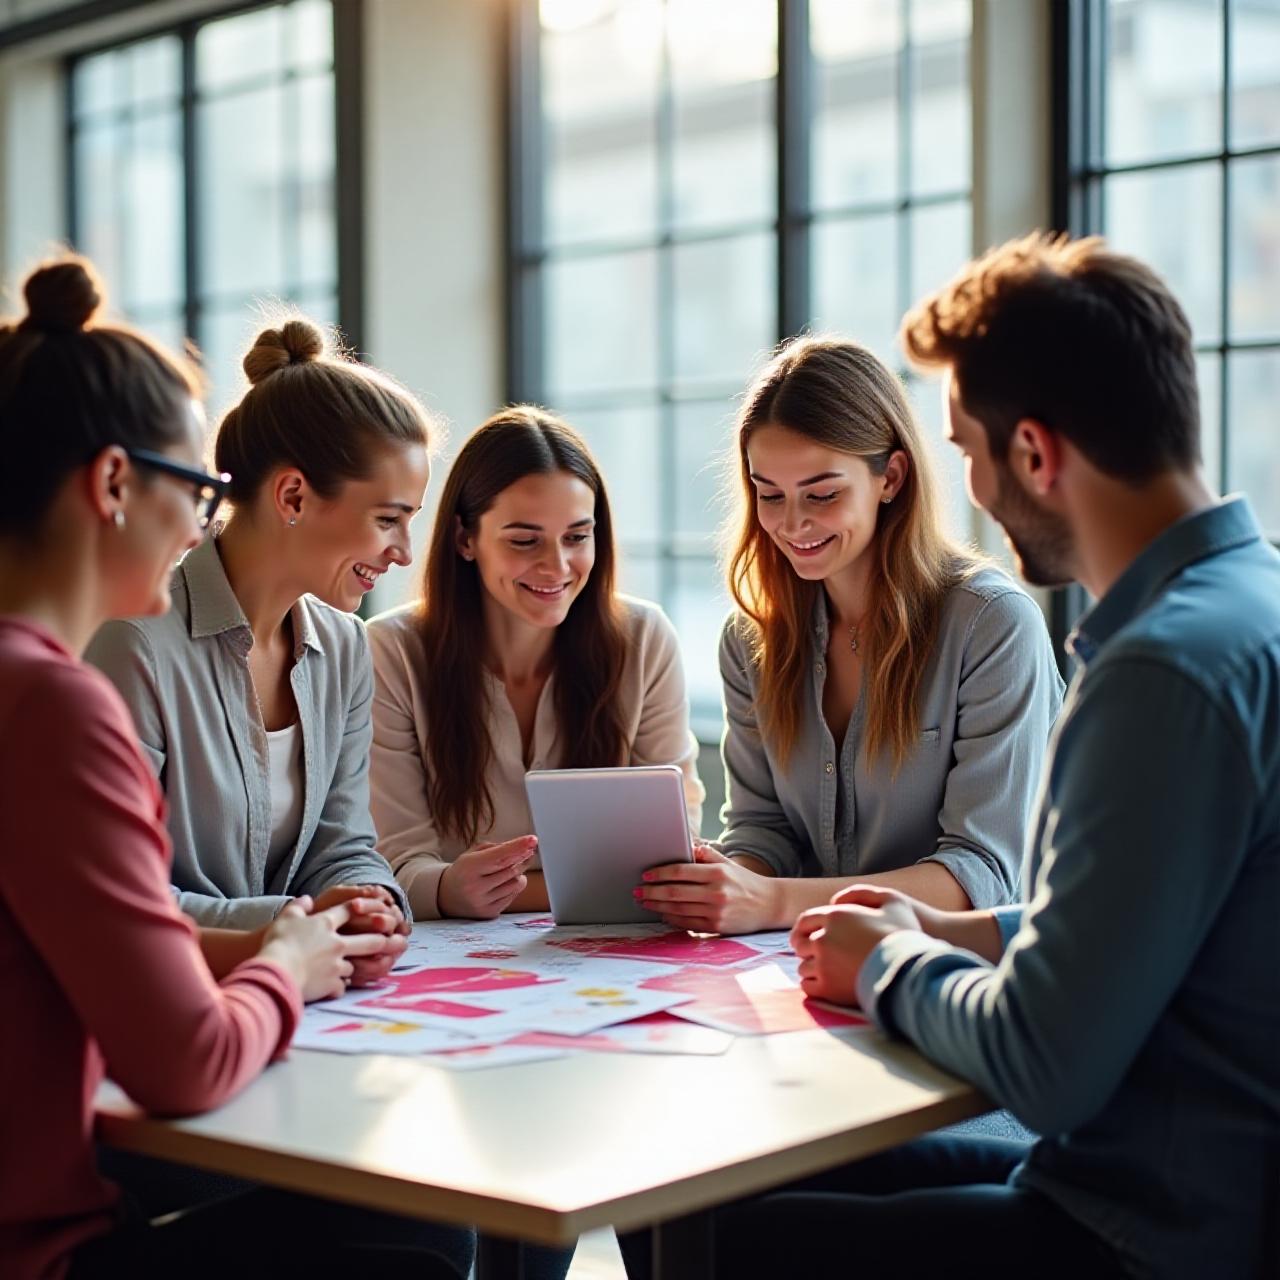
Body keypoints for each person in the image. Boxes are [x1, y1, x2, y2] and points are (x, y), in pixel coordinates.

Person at [733, 235, 1280, 1278]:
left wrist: (887, 961)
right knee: (730, 1187)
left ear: (1033, 452)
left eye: (968, 451)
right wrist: (955, 927)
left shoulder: (1158, 671)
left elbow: (1044, 1065)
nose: (970, 488)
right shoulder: (1239, 610)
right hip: (1156, 1179)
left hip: (1142, 1226)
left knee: (723, 1233)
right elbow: (1147, 900)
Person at [0, 255, 471, 1278]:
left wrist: (354, 898)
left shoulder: (336, 648)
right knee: (423, 1234)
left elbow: (344, 835)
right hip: (51, 1232)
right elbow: (184, 1059)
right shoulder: (58, 695)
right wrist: (290, 956)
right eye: (199, 486)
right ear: (115, 484)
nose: (199, 519)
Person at [635, 336, 1062, 935]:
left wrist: (775, 901)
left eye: (822, 494)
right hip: (804, 965)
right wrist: (724, 882)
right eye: (769, 494)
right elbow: (764, 832)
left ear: (890, 477)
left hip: (961, 974)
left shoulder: (991, 625)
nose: (792, 523)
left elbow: (980, 874)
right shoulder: (751, 638)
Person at [87, 315, 433, 945]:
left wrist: (371, 899)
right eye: (389, 519)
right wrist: (293, 926)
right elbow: (111, 896)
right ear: (294, 497)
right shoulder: (134, 644)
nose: (404, 553)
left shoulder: (347, 647)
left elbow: (345, 843)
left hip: (302, 983)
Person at [369, 404, 703, 921]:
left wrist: (464, 887)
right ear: (465, 539)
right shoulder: (390, 653)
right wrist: (443, 888)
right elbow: (393, 867)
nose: (556, 566)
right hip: (449, 961)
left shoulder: (645, 639)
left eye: (577, 537)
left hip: (612, 953)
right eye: (524, 541)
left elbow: (672, 854)